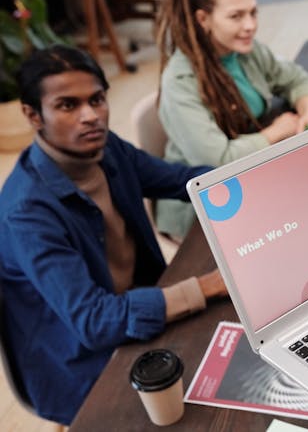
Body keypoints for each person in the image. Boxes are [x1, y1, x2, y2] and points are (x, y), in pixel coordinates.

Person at [0, 46, 228, 425]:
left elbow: (181, 180)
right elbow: (95, 322)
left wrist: (255, 179)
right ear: (32, 115)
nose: (90, 116)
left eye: (97, 99)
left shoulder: (107, 150)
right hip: (83, 364)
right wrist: (203, 287)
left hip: (141, 307)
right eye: (68, 105)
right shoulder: (26, 212)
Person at [155, 0, 308, 239]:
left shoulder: (243, 50)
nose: (250, 26)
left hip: (249, 175)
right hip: (202, 208)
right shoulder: (180, 82)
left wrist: (307, 114)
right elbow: (217, 161)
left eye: (253, 12)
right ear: (203, 19)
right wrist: (277, 132)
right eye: (236, 16)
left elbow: (297, 78)